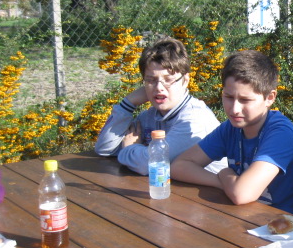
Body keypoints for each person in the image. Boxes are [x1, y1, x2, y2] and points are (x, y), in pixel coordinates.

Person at [170, 50, 293, 214]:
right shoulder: (230, 128)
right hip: (241, 216)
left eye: (245, 100)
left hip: (282, 224)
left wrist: (225, 173)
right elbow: (179, 166)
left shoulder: (281, 134)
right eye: (228, 97)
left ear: (270, 98)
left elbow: (242, 194)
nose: (234, 109)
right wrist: (222, 181)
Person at [95, 37, 226, 175]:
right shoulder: (149, 116)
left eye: (168, 80)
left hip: (206, 188)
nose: (159, 88)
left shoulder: (194, 120)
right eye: (151, 80)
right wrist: (128, 103)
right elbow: (105, 148)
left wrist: (130, 148)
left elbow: (150, 164)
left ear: (186, 80)